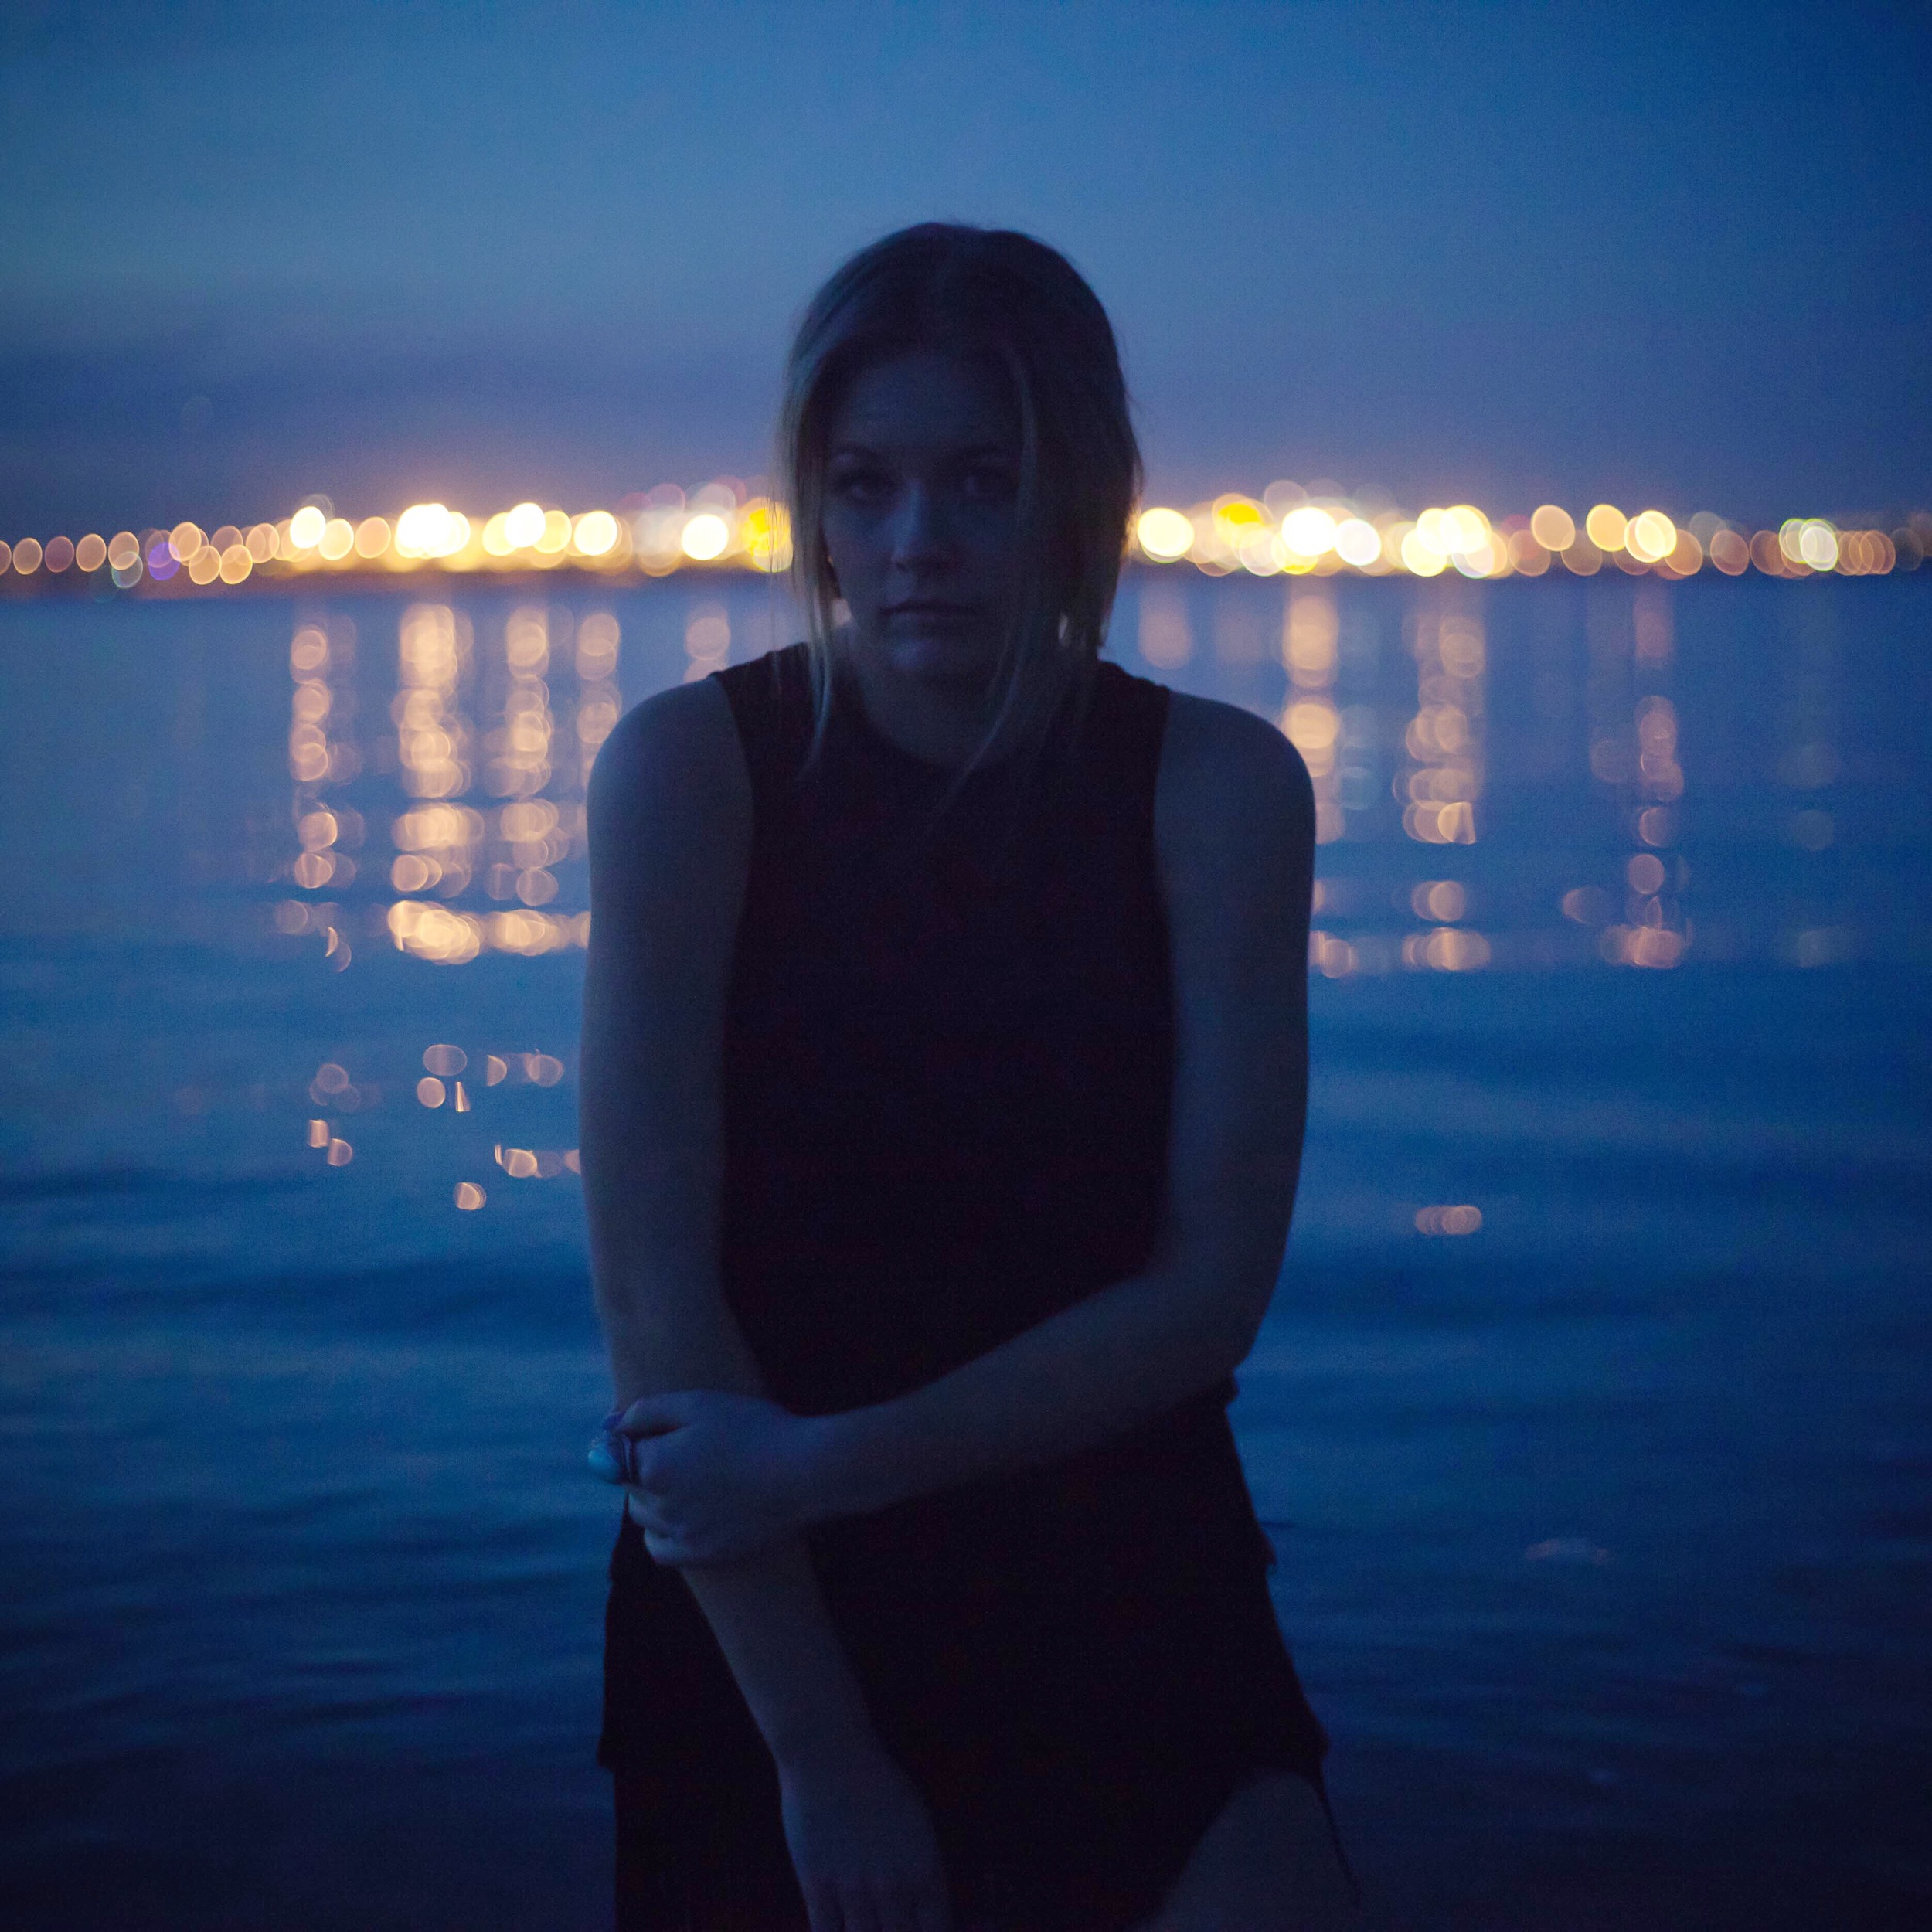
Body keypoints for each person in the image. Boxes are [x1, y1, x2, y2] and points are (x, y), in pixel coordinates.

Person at [580, 223, 1356, 1932]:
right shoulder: (694, 774)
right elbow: (657, 1303)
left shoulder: (1215, 790)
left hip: (1118, 1564)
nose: (913, 543)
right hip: (768, 1608)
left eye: (979, 483)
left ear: (1073, 490)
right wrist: (819, 1750)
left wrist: (820, 1457)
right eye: (862, 485)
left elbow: (1205, 1291)